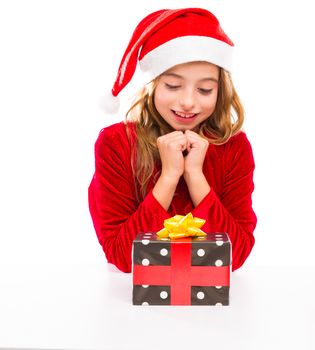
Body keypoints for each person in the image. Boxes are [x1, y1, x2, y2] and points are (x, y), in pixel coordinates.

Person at [88, 8, 257, 273]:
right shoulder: (116, 143)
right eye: (173, 86)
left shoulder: (234, 147)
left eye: (204, 89)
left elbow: (236, 255)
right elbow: (122, 255)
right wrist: (169, 176)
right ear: (152, 84)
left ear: (219, 90)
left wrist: (194, 176)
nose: (188, 101)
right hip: (127, 307)